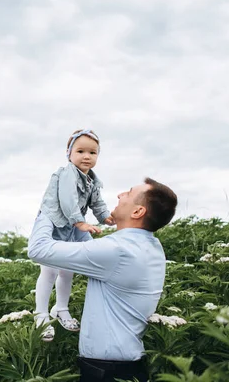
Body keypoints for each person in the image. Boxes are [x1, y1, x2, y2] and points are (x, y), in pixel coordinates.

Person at [28, 178, 178, 382]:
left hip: (107, 372)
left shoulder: (117, 251)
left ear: (137, 212)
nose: (120, 195)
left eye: (129, 193)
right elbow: (90, 252)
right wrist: (75, 217)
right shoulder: (148, 246)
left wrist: (50, 206)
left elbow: (38, 250)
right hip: (126, 366)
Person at [34, 129, 114, 341]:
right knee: (49, 271)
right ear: (69, 154)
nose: (86, 156)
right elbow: (67, 199)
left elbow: (97, 202)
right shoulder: (67, 172)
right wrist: (80, 222)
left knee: (67, 270)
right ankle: (40, 314)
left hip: (69, 227)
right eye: (80, 151)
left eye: (93, 152)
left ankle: (60, 308)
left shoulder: (92, 180)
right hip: (54, 224)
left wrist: (106, 216)